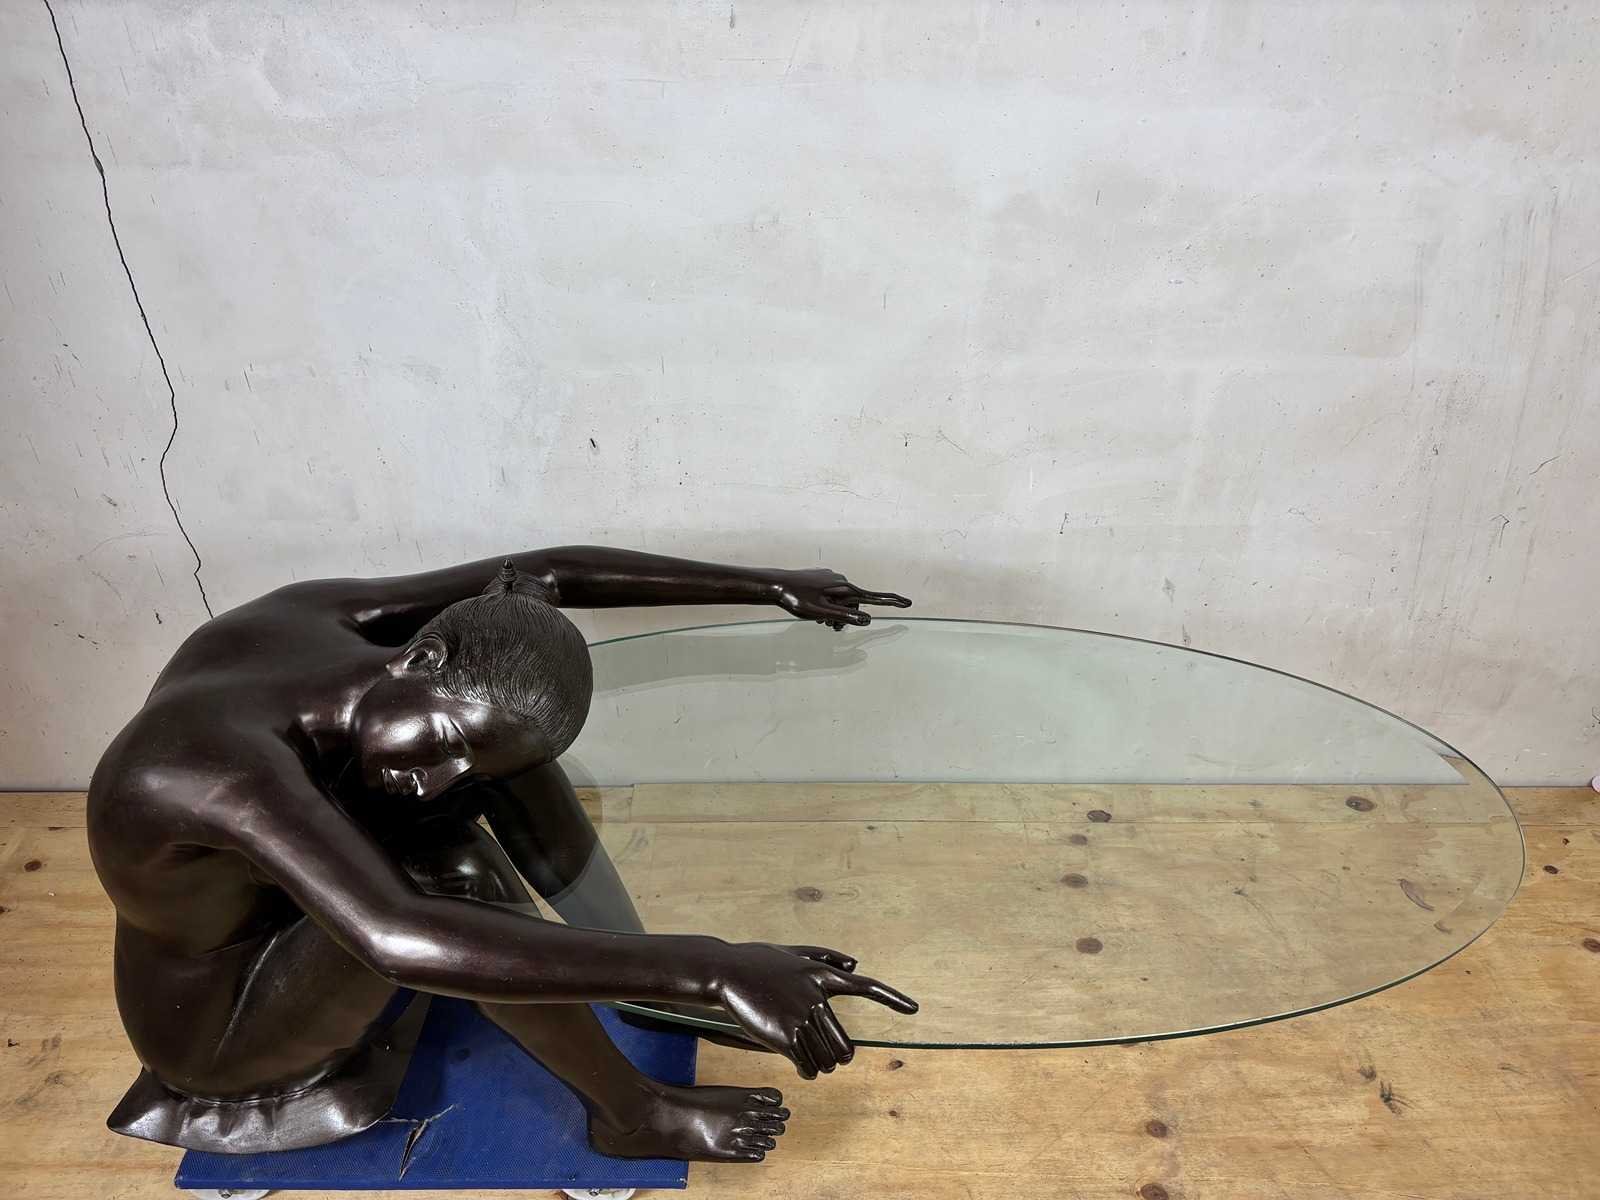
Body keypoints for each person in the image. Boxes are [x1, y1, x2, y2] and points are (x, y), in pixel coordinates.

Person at [88, 546, 917, 1162]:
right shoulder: (210, 770)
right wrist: (712, 966)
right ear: (422, 655)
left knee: (510, 760)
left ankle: (632, 982)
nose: (436, 781)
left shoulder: (324, 625)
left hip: (300, 900)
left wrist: (768, 585)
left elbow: (542, 572)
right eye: (443, 742)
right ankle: (631, 1115)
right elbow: (393, 936)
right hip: (224, 1030)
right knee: (452, 873)